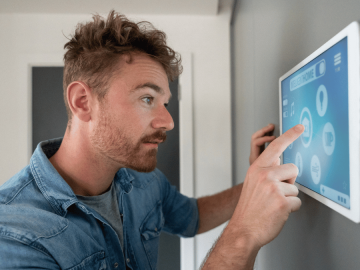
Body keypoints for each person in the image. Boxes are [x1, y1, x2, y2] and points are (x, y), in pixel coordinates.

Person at [0, 10, 304, 269]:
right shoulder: (15, 235)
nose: (168, 121)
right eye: (147, 98)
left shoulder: (143, 182)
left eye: (165, 103)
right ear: (83, 102)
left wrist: (253, 181)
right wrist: (244, 233)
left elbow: (193, 217)